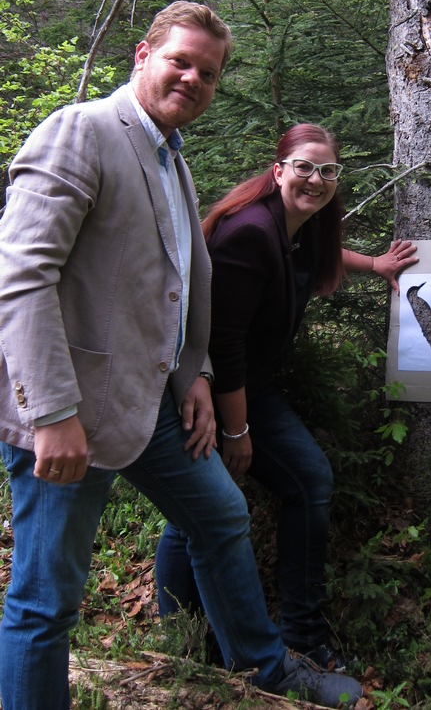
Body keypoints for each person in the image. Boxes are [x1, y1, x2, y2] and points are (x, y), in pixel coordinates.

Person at [0, 2, 363, 710]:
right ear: (143, 54)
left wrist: (193, 370)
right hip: (70, 410)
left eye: (209, 72)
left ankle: (263, 667)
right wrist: (51, 411)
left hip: (148, 402)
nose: (194, 78)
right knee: (47, 600)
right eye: (182, 61)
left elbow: (171, 284)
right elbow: (21, 276)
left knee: (221, 515)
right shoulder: (83, 132)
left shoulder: (171, 159)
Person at [155, 122, 417, 672]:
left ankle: (298, 630)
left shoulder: (303, 223)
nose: (315, 179)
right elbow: (222, 344)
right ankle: (183, 634)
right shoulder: (250, 230)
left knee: (307, 481)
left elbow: (319, 256)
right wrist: (236, 430)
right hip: (208, 391)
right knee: (196, 511)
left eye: (326, 170)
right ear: (278, 172)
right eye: (303, 167)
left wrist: (375, 265)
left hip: (253, 386)